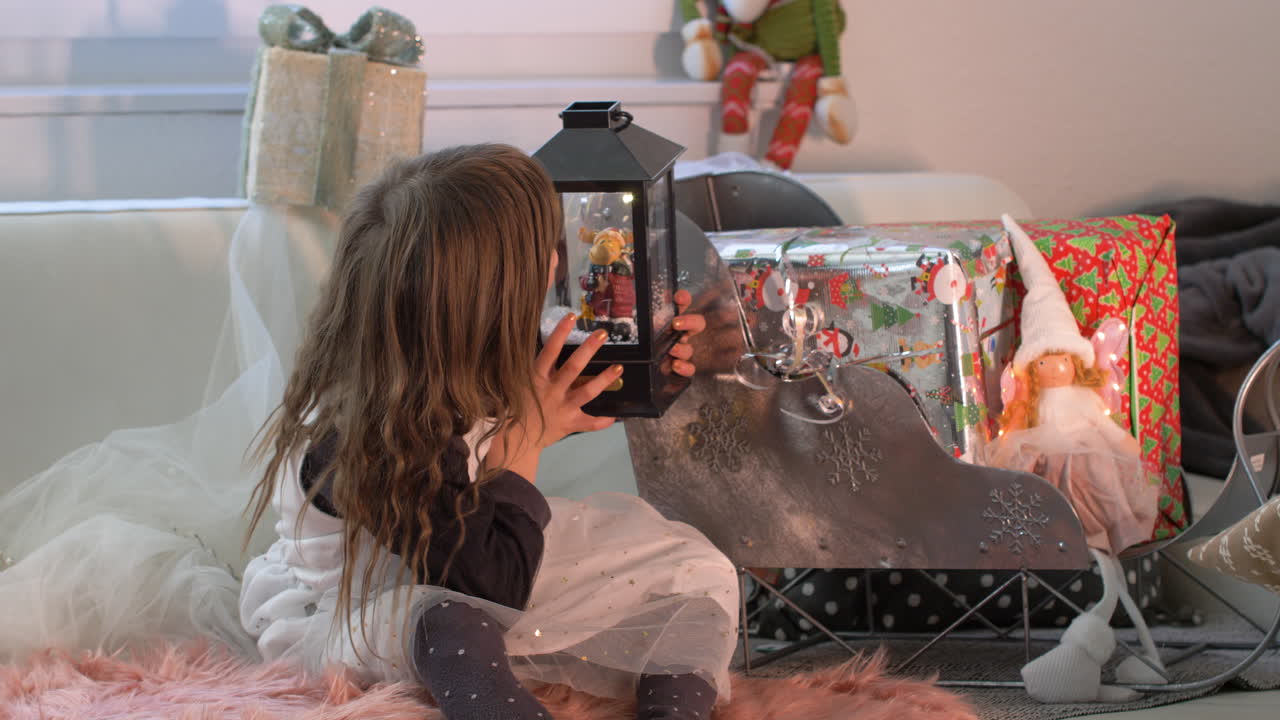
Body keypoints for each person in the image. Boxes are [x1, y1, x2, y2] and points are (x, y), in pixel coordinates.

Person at [237, 144, 740, 720]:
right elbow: (492, 587)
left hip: (466, 551)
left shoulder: (462, 348)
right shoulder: (368, 432)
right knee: (449, 618)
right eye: (544, 255)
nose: (557, 267)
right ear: (487, 296)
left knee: (692, 569)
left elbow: (574, 397)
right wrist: (525, 442)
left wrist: (661, 359)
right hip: (354, 605)